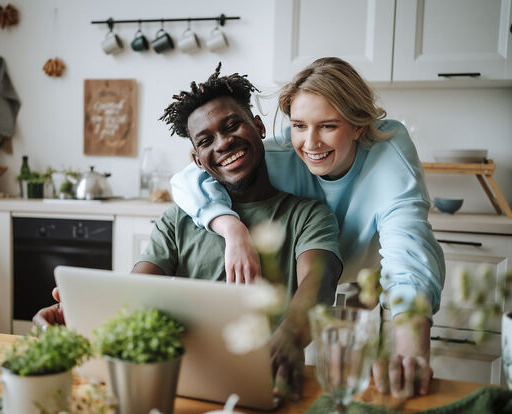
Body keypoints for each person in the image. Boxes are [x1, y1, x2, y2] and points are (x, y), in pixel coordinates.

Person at [34, 65, 343, 401]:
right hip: (179, 383)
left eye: (232, 126)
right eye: (206, 140)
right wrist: (78, 318)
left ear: (257, 126)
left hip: (268, 381)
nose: (223, 143)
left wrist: (290, 338)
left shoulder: (308, 215)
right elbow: (133, 295)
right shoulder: (176, 220)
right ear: (197, 160)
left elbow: (318, 283)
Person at [170, 57, 445, 399]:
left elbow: (408, 252)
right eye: (299, 125)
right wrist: (232, 229)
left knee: (378, 379)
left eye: (328, 126)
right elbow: (186, 179)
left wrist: (411, 346)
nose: (310, 143)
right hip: (319, 271)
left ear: (358, 125)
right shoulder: (284, 149)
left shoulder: (389, 154)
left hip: (373, 277)